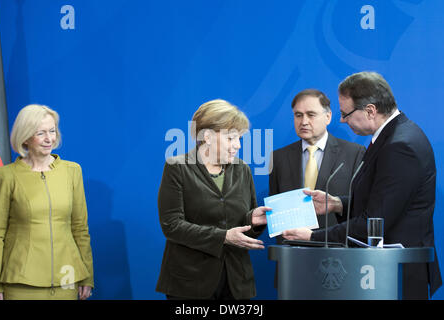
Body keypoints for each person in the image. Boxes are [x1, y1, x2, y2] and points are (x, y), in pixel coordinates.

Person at [283, 72, 442, 299]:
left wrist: (312, 237)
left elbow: (375, 222)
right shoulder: (392, 135)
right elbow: (380, 201)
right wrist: (337, 204)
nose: (341, 121)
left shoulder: (400, 146)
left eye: (345, 113)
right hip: (382, 272)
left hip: (395, 276)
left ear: (370, 111)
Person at [156, 99, 270, 300]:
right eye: (231, 138)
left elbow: (242, 225)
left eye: (239, 139)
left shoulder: (242, 169)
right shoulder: (177, 167)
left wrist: (253, 220)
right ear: (207, 136)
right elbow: (172, 225)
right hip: (190, 284)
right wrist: (223, 237)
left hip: (236, 283)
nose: (237, 146)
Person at [0, 104, 94, 300]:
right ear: (25, 137)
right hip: (21, 282)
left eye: (52, 131)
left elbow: (80, 228)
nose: (49, 139)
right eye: (41, 133)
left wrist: (87, 276)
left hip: (68, 278)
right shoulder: (6, 176)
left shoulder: (72, 171)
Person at [270, 89, 365, 229]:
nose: (304, 121)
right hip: (292, 245)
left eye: (311, 115)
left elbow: (361, 204)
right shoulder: (278, 157)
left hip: (335, 245)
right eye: (298, 115)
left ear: (328, 117)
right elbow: (276, 209)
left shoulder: (354, 153)